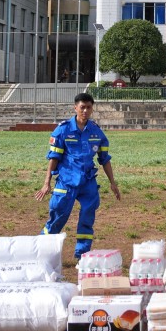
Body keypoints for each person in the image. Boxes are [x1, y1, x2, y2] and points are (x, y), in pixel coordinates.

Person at [35, 92, 121, 259]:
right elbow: (53, 158)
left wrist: (113, 182)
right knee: (57, 218)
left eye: (89, 107)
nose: (85, 111)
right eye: (82, 107)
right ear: (75, 108)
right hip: (66, 182)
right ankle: (40, 251)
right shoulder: (63, 130)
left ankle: (82, 255)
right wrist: (47, 183)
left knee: (87, 217)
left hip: (88, 182)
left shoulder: (96, 132)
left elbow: (105, 159)